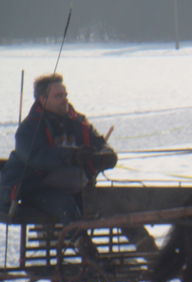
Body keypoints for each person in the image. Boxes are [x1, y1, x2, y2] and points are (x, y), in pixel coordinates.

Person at [0, 73, 156, 258]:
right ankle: (89, 255)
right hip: (37, 188)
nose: (64, 100)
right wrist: (72, 156)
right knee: (65, 206)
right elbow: (36, 157)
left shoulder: (78, 122)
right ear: (43, 99)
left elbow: (99, 144)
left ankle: (151, 252)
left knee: (115, 203)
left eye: (65, 95)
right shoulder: (30, 128)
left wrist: (106, 156)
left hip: (76, 186)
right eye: (58, 96)